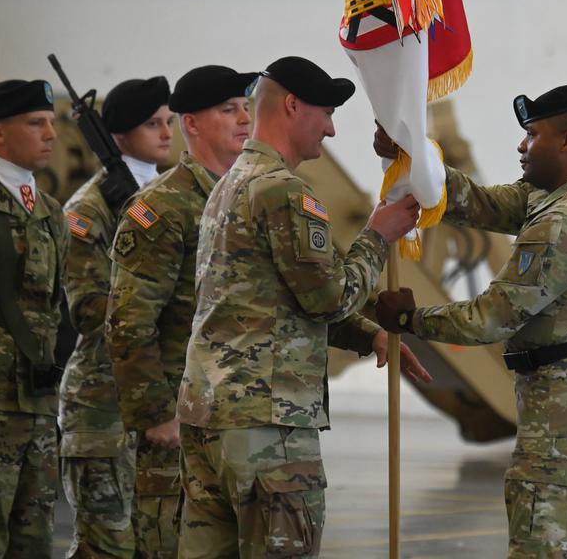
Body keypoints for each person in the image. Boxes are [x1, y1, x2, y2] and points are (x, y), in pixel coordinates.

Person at [375, 85, 567, 558]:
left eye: (532, 135)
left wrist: (409, 318)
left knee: (540, 545)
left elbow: (493, 317)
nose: (521, 146)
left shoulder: (565, 221)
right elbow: (479, 202)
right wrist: (414, 160)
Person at [175, 56, 432, 559]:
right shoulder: (284, 192)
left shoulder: (227, 186)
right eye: (327, 112)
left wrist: (368, 336)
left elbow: (267, 302)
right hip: (268, 426)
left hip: (209, 417)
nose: (332, 129)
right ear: (292, 106)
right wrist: (377, 237)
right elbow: (329, 297)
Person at [105, 65, 257, 558]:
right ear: (190, 124)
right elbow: (129, 319)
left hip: (235, 422)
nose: (244, 119)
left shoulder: (248, 197)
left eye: (247, 108)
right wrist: (154, 414)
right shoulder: (162, 207)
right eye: (228, 110)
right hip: (177, 427)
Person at [59, 75, 173, 558]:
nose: (167, 133)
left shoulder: (169, 196)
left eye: (169, 122)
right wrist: (156, 308)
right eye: (153, 124)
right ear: (120, 134)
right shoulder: (89, 208)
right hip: (104, 404)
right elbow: (87, 308)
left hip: (156, 398)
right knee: (105, 547)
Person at [0, 79, 68, 557]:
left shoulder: (51, 212)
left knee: (35, 540)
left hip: (38, 405)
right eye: (35, 123)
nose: (50, 133)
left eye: (50, 122)